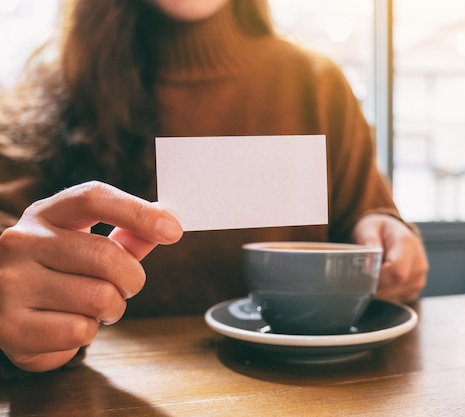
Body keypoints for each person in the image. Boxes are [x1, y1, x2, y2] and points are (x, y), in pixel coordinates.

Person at [0, 0, 428, 377]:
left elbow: (368, 222)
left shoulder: (319, 84)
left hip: (320, 394)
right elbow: (14, 249)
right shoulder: (46, 96)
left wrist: (387, 237)